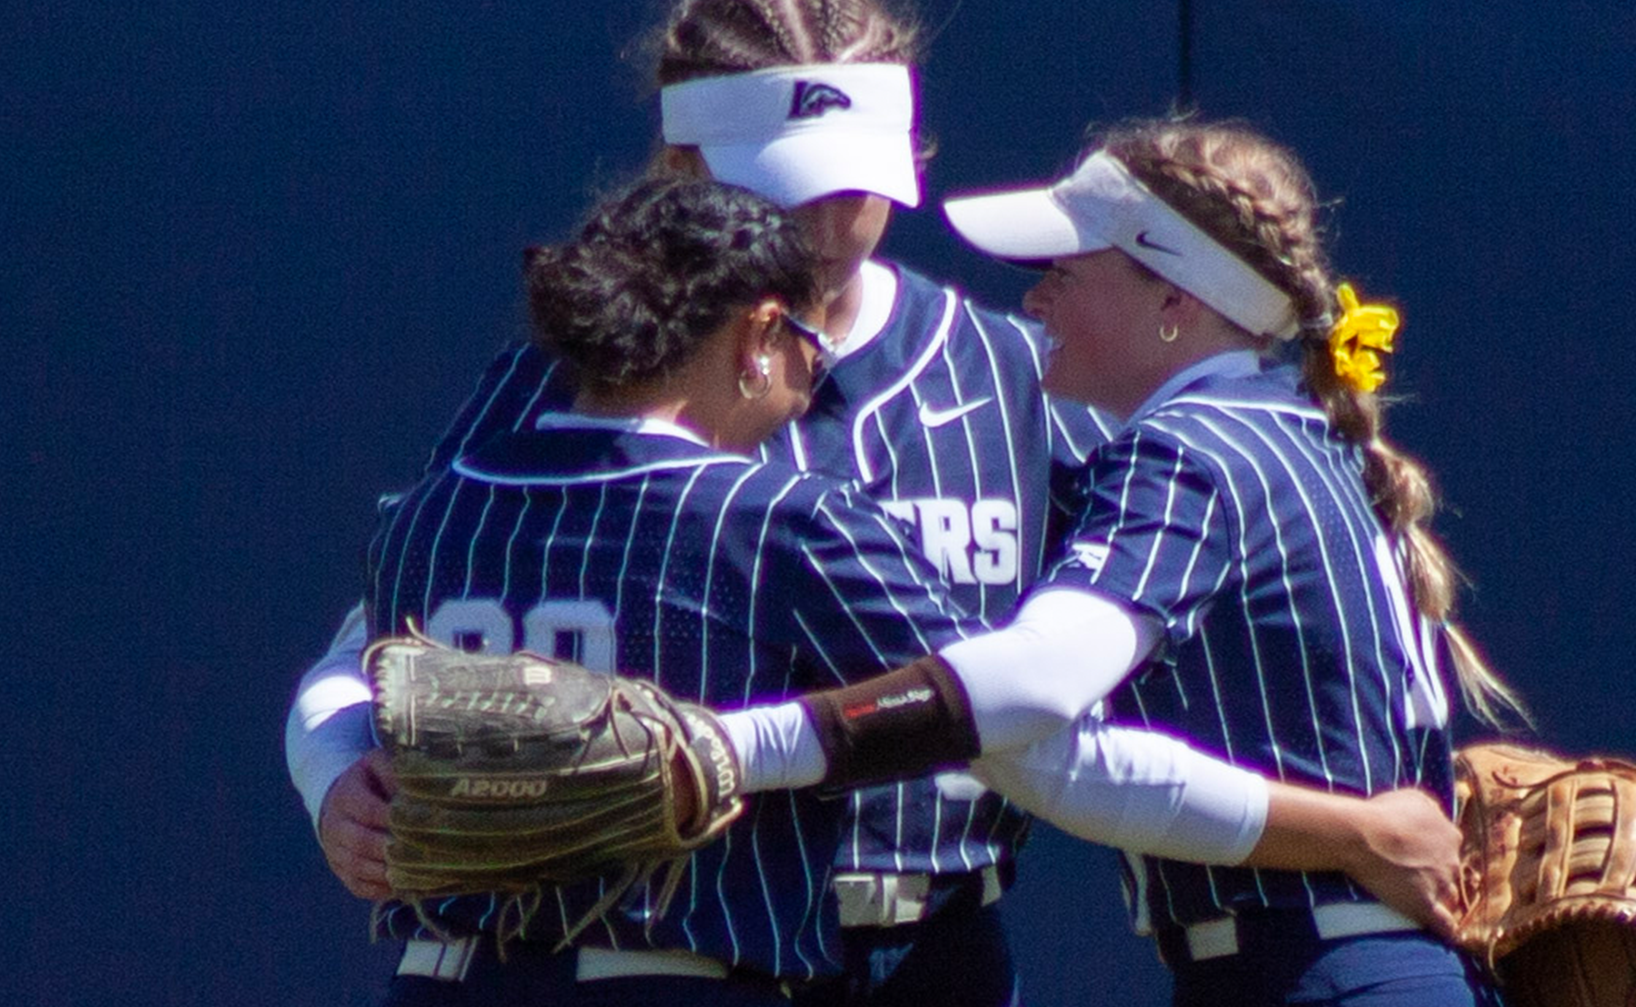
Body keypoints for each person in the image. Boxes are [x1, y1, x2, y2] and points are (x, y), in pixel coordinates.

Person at [351, 173, 1463, 1006]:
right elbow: (1033, 742)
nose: (818, 371)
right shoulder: (777, 518)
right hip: (675, 978)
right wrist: (1354, 830)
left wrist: (328, 785)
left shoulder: (428, 522)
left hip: (439, 979)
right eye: (802, 336)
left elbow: (345, 706)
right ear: (752, 339)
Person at [288, 0, 1101, 1007]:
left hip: (926, 937)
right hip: (674, 937)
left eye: (851, 185)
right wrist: (335, 771)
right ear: (679, 166)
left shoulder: (1005, 369)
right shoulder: (580, 372)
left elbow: (1135, 628)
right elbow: (382, 640)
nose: (815, 224)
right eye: (775, 181)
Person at [712, 116, 1526, 1007]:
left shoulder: (1191, 450)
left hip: (1310, 972)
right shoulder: (1297, 429)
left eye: (1065, 273)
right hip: (1347, 968)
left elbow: (1033, 689)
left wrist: (727, 750)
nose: (1033, 303)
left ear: (1176, 304)